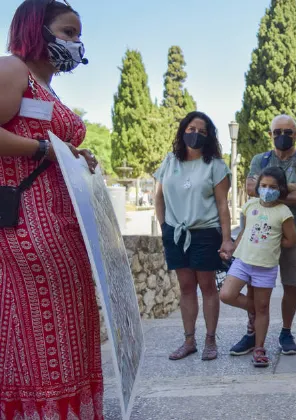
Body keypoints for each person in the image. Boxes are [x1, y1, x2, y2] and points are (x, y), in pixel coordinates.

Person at [0, 1, 102, 417]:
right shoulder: (12, 69)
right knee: (44, 323)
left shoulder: (48, 88)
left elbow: (54, 149)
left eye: (78, 35)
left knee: (66, 321)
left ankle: (64, 408)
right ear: (36, 29)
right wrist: (47, 149)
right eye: (67, 32)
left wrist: (77, 156)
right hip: (29, 221)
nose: (75, 43)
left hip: (61, 221)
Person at [155, 111, 233, 361]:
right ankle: (189, 341)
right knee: (186, 287)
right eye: (191, 129)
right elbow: (159, 196)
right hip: (176, 233)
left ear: (209, 136)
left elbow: (223, 205)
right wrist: (164, 226)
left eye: (201, 131)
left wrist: (226, 239)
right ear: (182, 131)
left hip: (206, 232)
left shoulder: (216, 166)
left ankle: (211, 340)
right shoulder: (169, 161)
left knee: (207, 286)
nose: (195, 134)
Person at [230, 114, 296, 357]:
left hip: (291, 230)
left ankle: (286, 331)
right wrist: (289, 188)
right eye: (277, 132)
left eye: (287, 132)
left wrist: (271, 192)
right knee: (253, 285)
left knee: (290, 284)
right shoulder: (260, 159)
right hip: (260, 235)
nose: (282, 136)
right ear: (271, 134)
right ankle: (252, 332)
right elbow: (251, 188)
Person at [219, 167, 296, 367]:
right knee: (226, 294)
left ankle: (259, 348)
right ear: (258, 187)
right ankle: (256, 310)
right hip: (242, 261)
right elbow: (245, 230)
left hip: (266, 266)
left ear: (280, 189)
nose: (267, 190)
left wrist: (272, 243)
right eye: (264, 186)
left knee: (263, 308)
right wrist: (233, 249)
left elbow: (291, 240)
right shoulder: (250, 205)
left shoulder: (283, 211)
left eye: (272, 187)